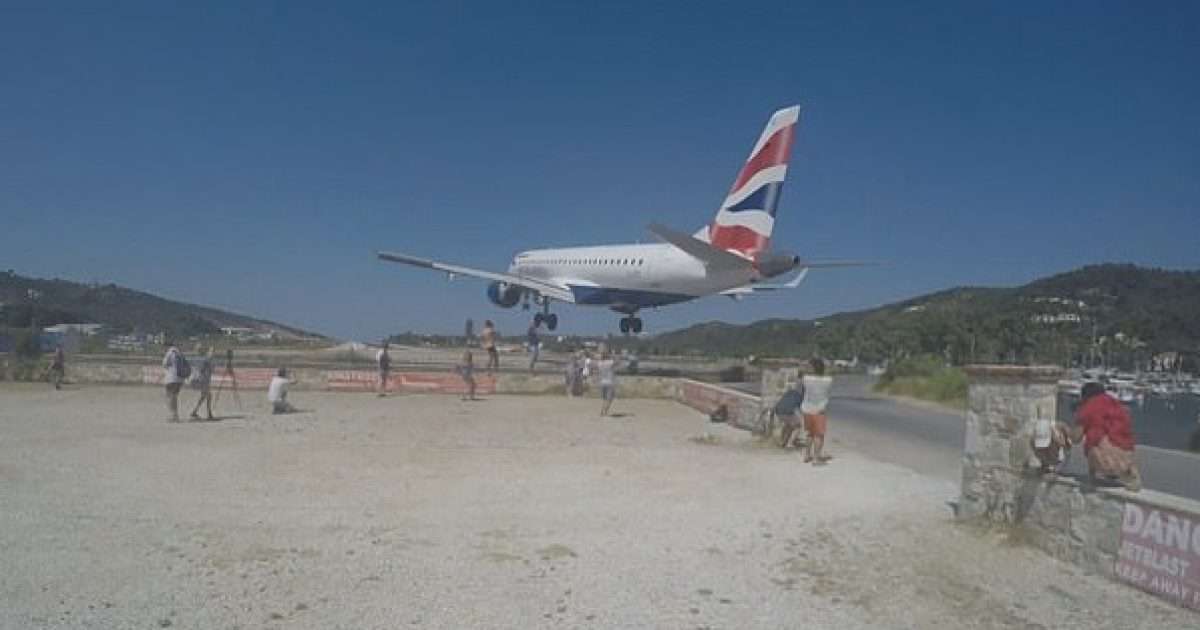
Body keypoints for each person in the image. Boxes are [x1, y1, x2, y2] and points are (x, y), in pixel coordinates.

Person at [1071, 382, 1141, 491]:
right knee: (1099, 434)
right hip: (1127, 458)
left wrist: (1073, 423)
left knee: (1093, 440)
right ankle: (1130, 473)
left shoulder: (1088, 407)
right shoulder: (1116, 405)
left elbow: (1076, 438)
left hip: (1105, 462)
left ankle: (1092, 476)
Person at [801, 358, 834, 465]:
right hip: (819, 410)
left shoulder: (806, 379)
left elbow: (803, 388)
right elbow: (830, 372)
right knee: (818, 435)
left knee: (810, 433)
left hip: (807, 408)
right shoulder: (828, 380)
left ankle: (807, 455)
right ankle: (816, 459)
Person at [774, 376, 806, 449]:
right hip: (786, 412)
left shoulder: (789, 391)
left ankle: (782, 441)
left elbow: (784, 401)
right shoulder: (800, 396)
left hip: (778, 410)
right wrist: (800, 418)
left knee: (788, 424)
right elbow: (797, 410)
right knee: (798, 426)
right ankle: (790, 443)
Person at [161, 340, 186, 422]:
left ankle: (173, 415)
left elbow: (164, 364)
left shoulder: (170, 353)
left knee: (170, 396)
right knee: (174, 396)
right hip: (180, 377)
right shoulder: (180, 353)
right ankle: (175, 414)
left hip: (171, 377)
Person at [189, 346, 215, 421]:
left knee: (205, 395)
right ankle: (209, 414)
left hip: (195, 380)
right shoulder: (205, 359)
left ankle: (195, 411)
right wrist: (211, 352)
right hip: (202, 380)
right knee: (208, 396)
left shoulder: (194, 359)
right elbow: (209, 367)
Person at [595, 348, 617, 417]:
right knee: (610, 399)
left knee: (605, 398)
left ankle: (602, 411)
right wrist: (613, 354)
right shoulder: (610, 362)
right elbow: (618, 362)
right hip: (610, 382)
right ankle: (605, 411)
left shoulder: (599, 363)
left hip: (602, 382)